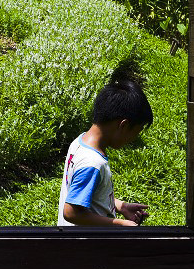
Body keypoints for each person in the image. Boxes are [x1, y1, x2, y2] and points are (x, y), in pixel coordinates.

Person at [57, 77, 153, 227]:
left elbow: (85, 196)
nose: (133, 139)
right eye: (136, 132)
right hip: (85, 246)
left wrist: (121, 206)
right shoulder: (92, 163)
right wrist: (120, 224)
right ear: (124, 125)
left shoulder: (80, 141)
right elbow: (71, 212)